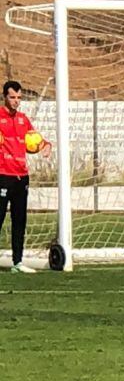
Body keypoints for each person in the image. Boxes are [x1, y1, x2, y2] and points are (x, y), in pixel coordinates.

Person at [1, 80, 52, 273]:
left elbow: (35, 140)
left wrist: (46, 145)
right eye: (12, 97)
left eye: (19, 98)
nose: (16, 101)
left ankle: (17, 262)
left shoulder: (23, 119)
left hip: (21, 177)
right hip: (2, 175)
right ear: (5, 97)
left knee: (19, 220)